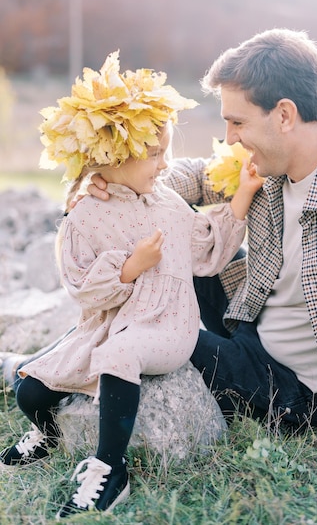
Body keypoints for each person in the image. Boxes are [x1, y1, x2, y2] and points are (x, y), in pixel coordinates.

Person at [3, 27, 317, 443]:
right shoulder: (269, 159)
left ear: (285, 115)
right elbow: (191, 176)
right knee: (161, 258)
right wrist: (111, 182)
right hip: (247, 317)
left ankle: (31, 370)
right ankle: (45, 364)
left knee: (146, 338)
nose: (231, 137)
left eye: (238, 122)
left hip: (301, 389)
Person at [0, 52, 263, 520]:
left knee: (118, 355)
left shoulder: (165, 203)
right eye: (155, 153)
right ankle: (50, 432)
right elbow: (82, 288)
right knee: (31, 388)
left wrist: (241, 194)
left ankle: (109, 467)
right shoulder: (83, 213)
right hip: (108, 324)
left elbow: (205, 249)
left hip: (166, 325)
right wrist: (128, 268)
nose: (165, 164)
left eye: (166, 151)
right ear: (110, 157)